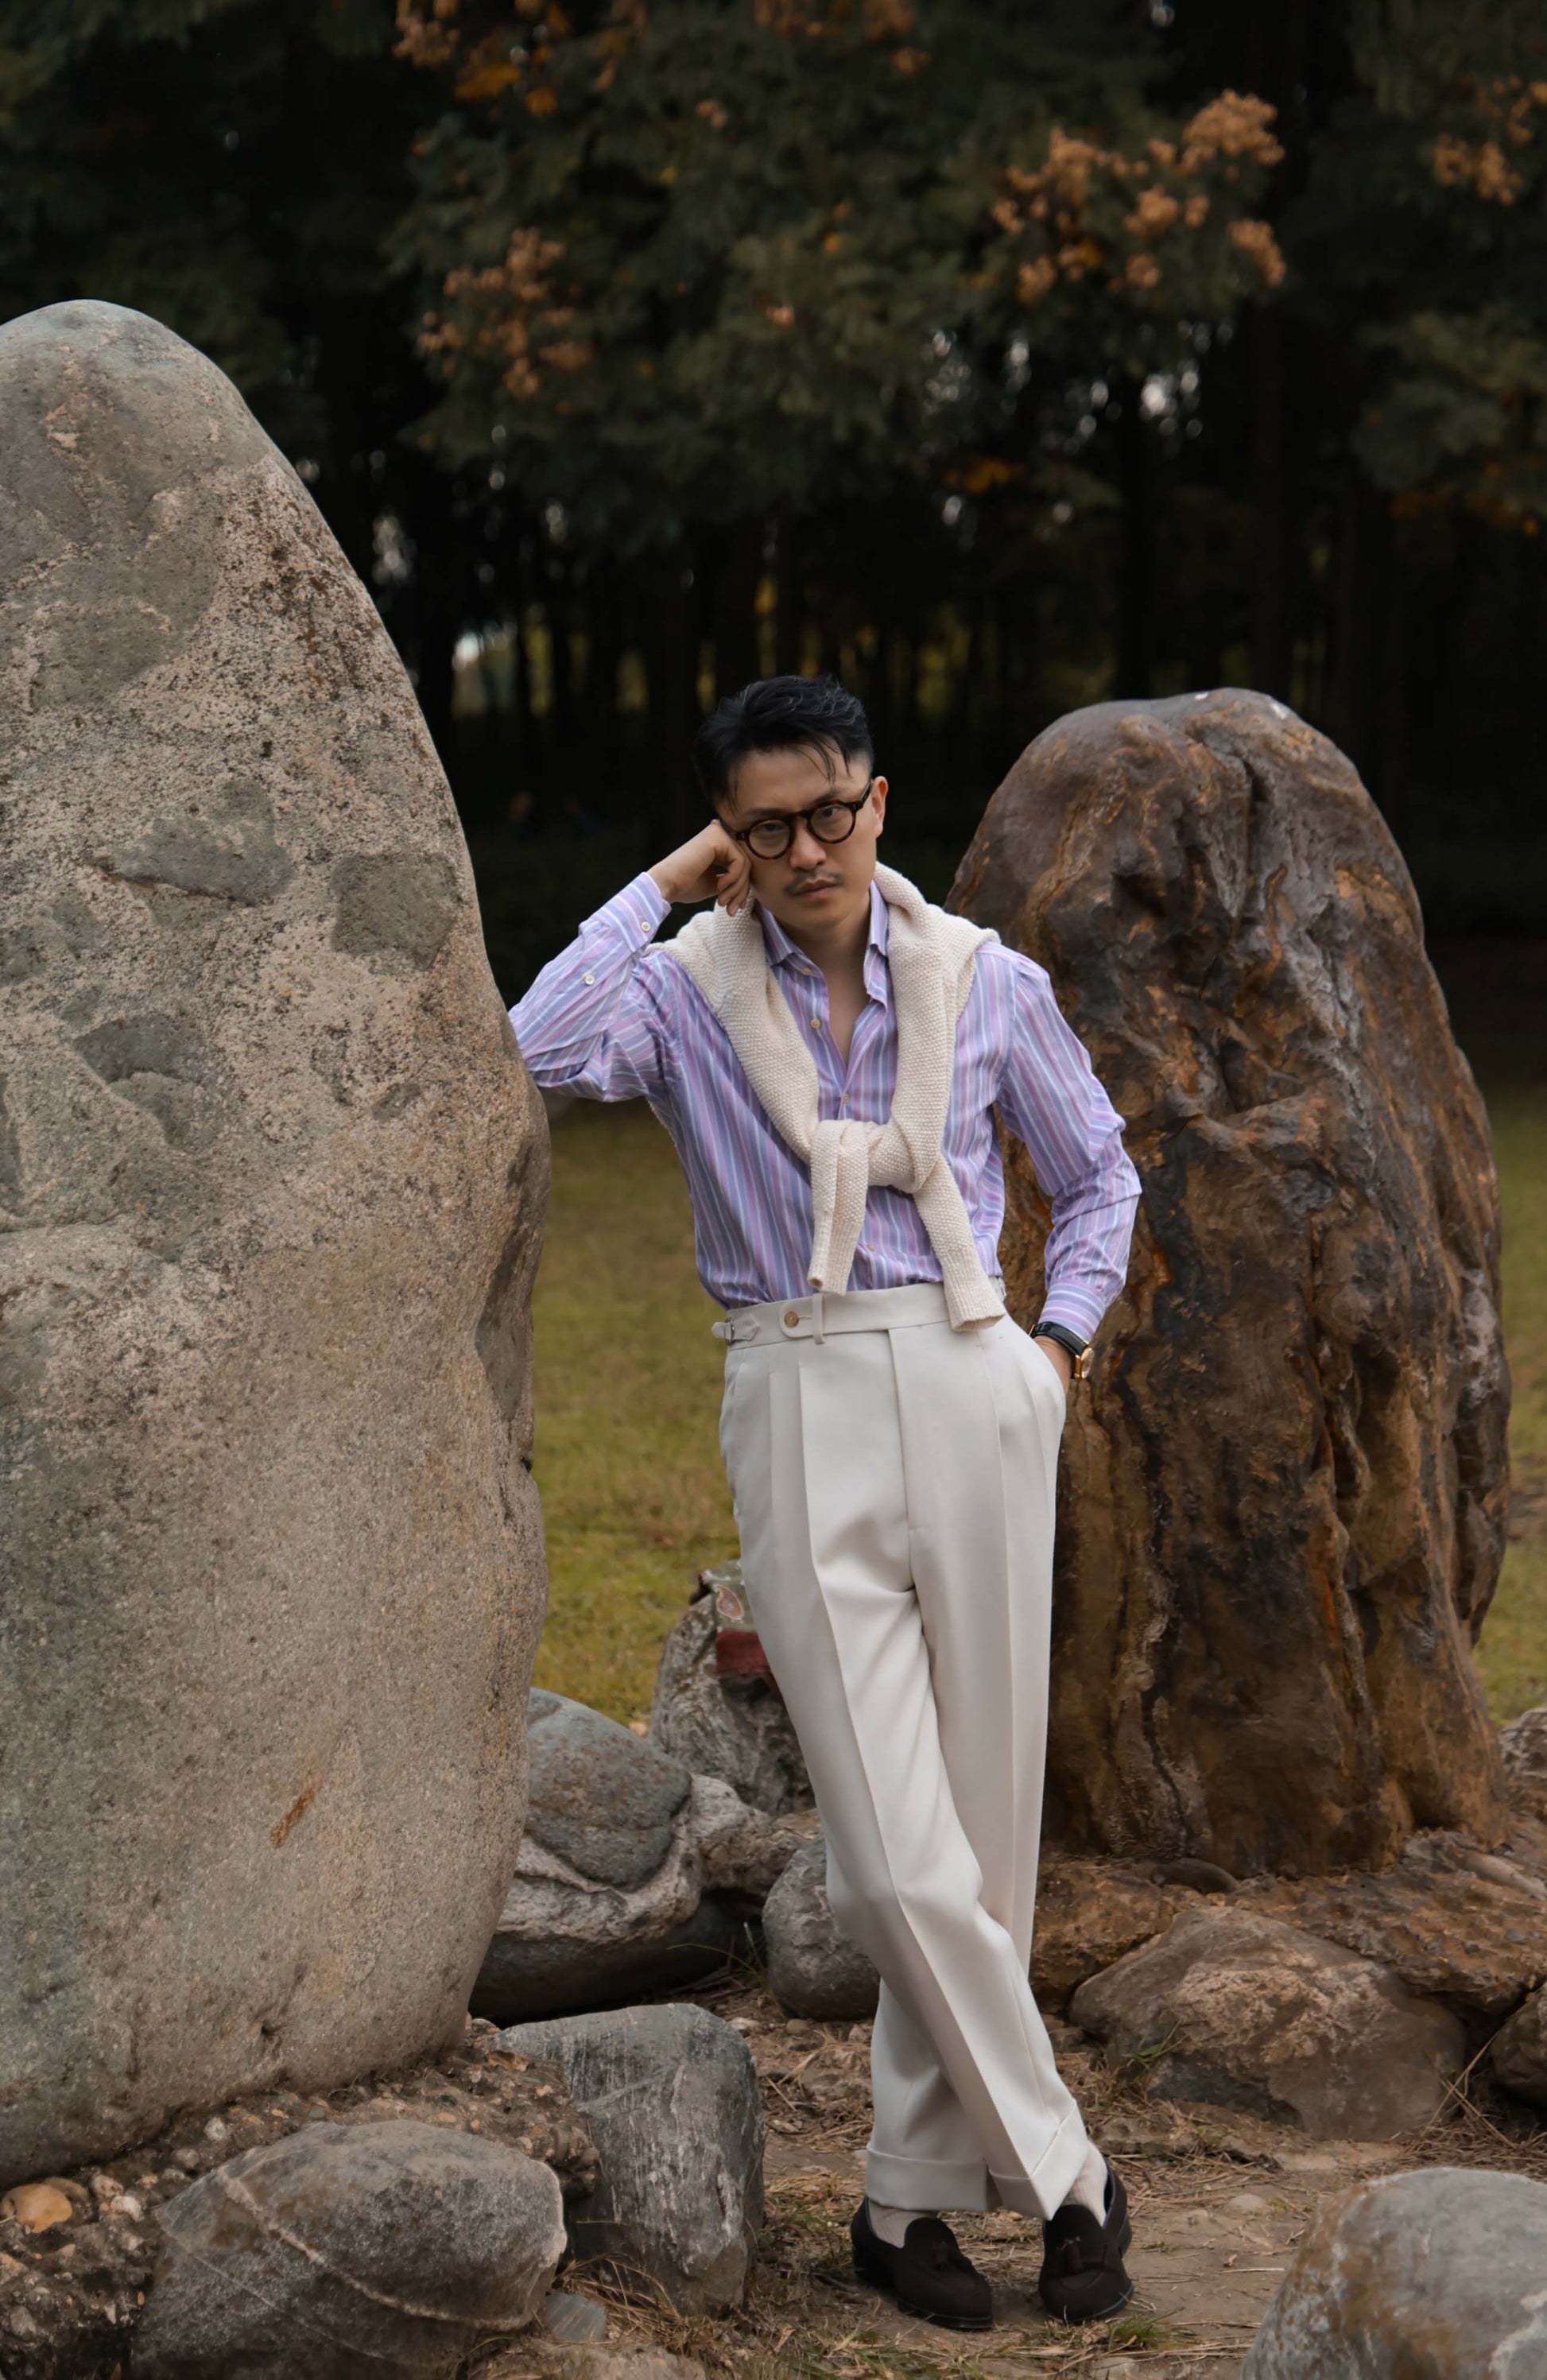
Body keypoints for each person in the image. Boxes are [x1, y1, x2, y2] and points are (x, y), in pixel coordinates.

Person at [512, 675, 1142, 2329]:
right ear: (730, 834)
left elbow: (1100, 1173)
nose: (806, 850)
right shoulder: (682, 993)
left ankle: (904, 2202)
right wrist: (665, 886)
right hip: (794, 1384)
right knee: (886, 1854)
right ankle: (1069, 2171)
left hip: (976, 1374)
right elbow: (527, 1049)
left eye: (830, 812)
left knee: (980, 1840)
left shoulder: (982, 978)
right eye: (764, 826)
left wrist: (1056, 1350)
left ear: (877, 802)